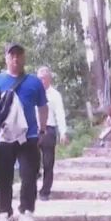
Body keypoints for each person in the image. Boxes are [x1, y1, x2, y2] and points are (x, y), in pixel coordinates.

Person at [0, 43, 48, 221]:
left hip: (28, 136)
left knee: (29, 175)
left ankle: (26, 213)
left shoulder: (34, 82)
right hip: (2, 137)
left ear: (24, 58)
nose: (15, 59)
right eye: (12, 55)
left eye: (19, 55)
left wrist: (42, 129)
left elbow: (43, 107)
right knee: (3, 177)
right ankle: (5, 214)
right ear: (6, 58)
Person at [36, 66, 68, 201]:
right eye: (39, 78)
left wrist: (63, 132)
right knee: (31, 160)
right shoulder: (33, 93)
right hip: (34, 130)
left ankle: (45, 191)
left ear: (49, 79)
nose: (41, 81)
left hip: (49, 130)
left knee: (48, 163)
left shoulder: (55, 95)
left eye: (44, 78)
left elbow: (60, 113)